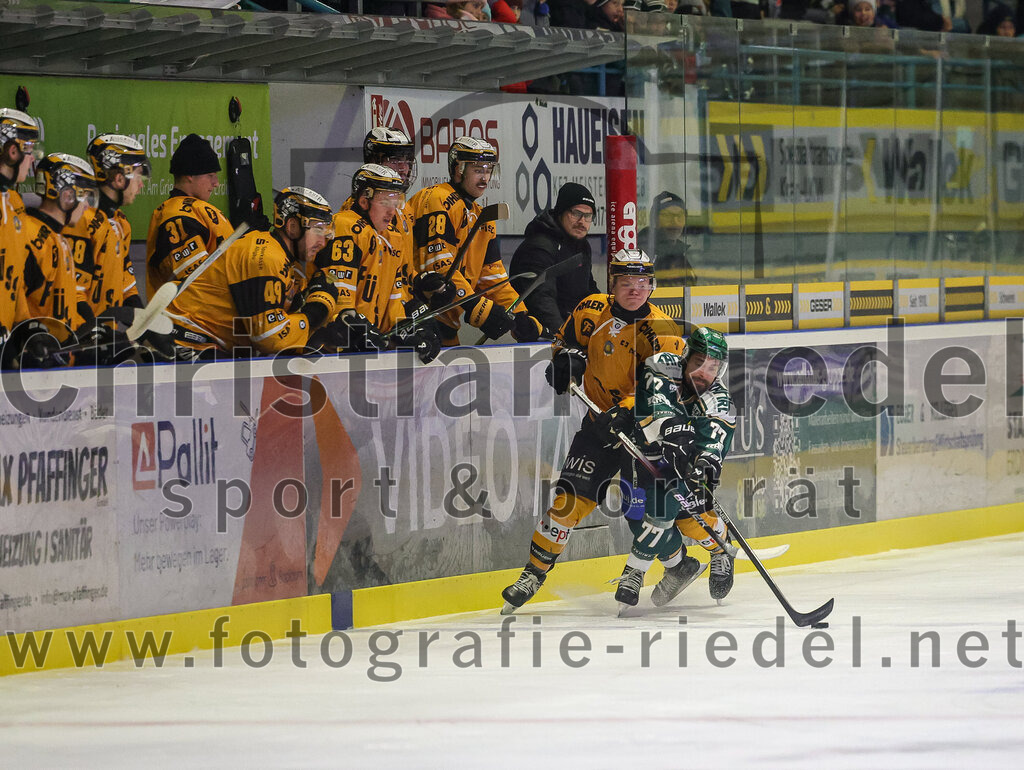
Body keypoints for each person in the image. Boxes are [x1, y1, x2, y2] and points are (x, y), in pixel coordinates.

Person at [500, 249, 683, 613]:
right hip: (598, 429)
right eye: (626, 282)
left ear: (653, 286)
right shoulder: (590, 310)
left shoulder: (664, 331)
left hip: (644, 436)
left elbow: (663, 388)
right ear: (613, 284)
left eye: (642, 282)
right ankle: (533, 574)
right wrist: (565, 360)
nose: (635, 289)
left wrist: (627, 411)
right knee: (568, 502)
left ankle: (680, 566)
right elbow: (564, 342)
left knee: (643, 517)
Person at [612, 325, 737, 608]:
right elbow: (656, 405)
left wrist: (704, 466)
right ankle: (680, 566)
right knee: (636, 520)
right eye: (698, 362)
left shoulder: (719, 401)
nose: (704, 372)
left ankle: (635, 572)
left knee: (678, 518)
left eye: (713, 366)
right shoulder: (661, 366)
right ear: (686, 356)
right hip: (640, 453)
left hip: (675, 467)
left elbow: (714, 443)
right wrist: (674, 431)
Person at [163, 187, 338, 359]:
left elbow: (288, 332)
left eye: (326, 233)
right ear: (292, 226)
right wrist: (316, 312)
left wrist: (333, 329)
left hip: (208, 340)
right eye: (317, 230)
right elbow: (269, 338)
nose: (323, 242)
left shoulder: (291, 268)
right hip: (185, 337)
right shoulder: (266, 256)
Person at [408, 136, 544, 345]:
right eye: (478, 170)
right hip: (417, 320)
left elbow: (493, 276)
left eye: (488, 170)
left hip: (446, 326)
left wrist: (519, 314)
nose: (485, 178)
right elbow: (439, 264)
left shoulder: (482, 217)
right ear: (458, 169)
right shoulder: (437, 199)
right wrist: (478, 309)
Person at [311, 164, 440, 363]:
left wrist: (407, 329)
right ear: (364, 200)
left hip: (368, 349)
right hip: (332, 350)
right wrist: (353, 325)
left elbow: (395, 299)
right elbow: (338, 293)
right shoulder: (346, 226)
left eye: (395, 201)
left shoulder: (392, 238)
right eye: (385, 201)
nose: (392, 211)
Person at [12, 154, 98, 367]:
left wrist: (84, 331)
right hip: (28, 363)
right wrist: (29, 332)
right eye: (85, 196)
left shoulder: (59, 239)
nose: (87, 206)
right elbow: (12, 294)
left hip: (54, 361)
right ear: (68, 196)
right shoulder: (31, 236)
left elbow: (58, 304)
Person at [65, 134, 149, 320]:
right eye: (138, 177)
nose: (141, 185)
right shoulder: (82, 220)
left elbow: (127, 286)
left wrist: (144, 324)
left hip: (104, 338)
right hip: (79, 340)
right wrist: (95, 331)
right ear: (119, 179)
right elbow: (73, 291)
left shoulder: (121, 223)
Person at [145, 133, 233, 299]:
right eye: (210, 175)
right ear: (190, 175)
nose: (216, 183)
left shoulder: (197, 210)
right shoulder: (176, 216)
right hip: (191, 321)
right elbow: (196, 284)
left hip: (206, 320)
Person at [508, 182, 599, 333]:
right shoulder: (540, 247)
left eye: (588, 216)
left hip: (574, 331)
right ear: (561, 212)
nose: (582, 221)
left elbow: (588, 291)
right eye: (576, 213)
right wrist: (562, 338)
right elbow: (541, 301)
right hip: (542, 337)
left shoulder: (582, 245)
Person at [0, 108, 41, 345]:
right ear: (13, 151)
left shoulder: (13, 201)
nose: (34, 158)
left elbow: (14, 275)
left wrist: (25, 324)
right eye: (30, 150)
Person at [637, 191, 697, 287]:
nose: (675, 222)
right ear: (654, 220)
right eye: (667, 216)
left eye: (680, 216)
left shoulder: (681, 250)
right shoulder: (643, 250)